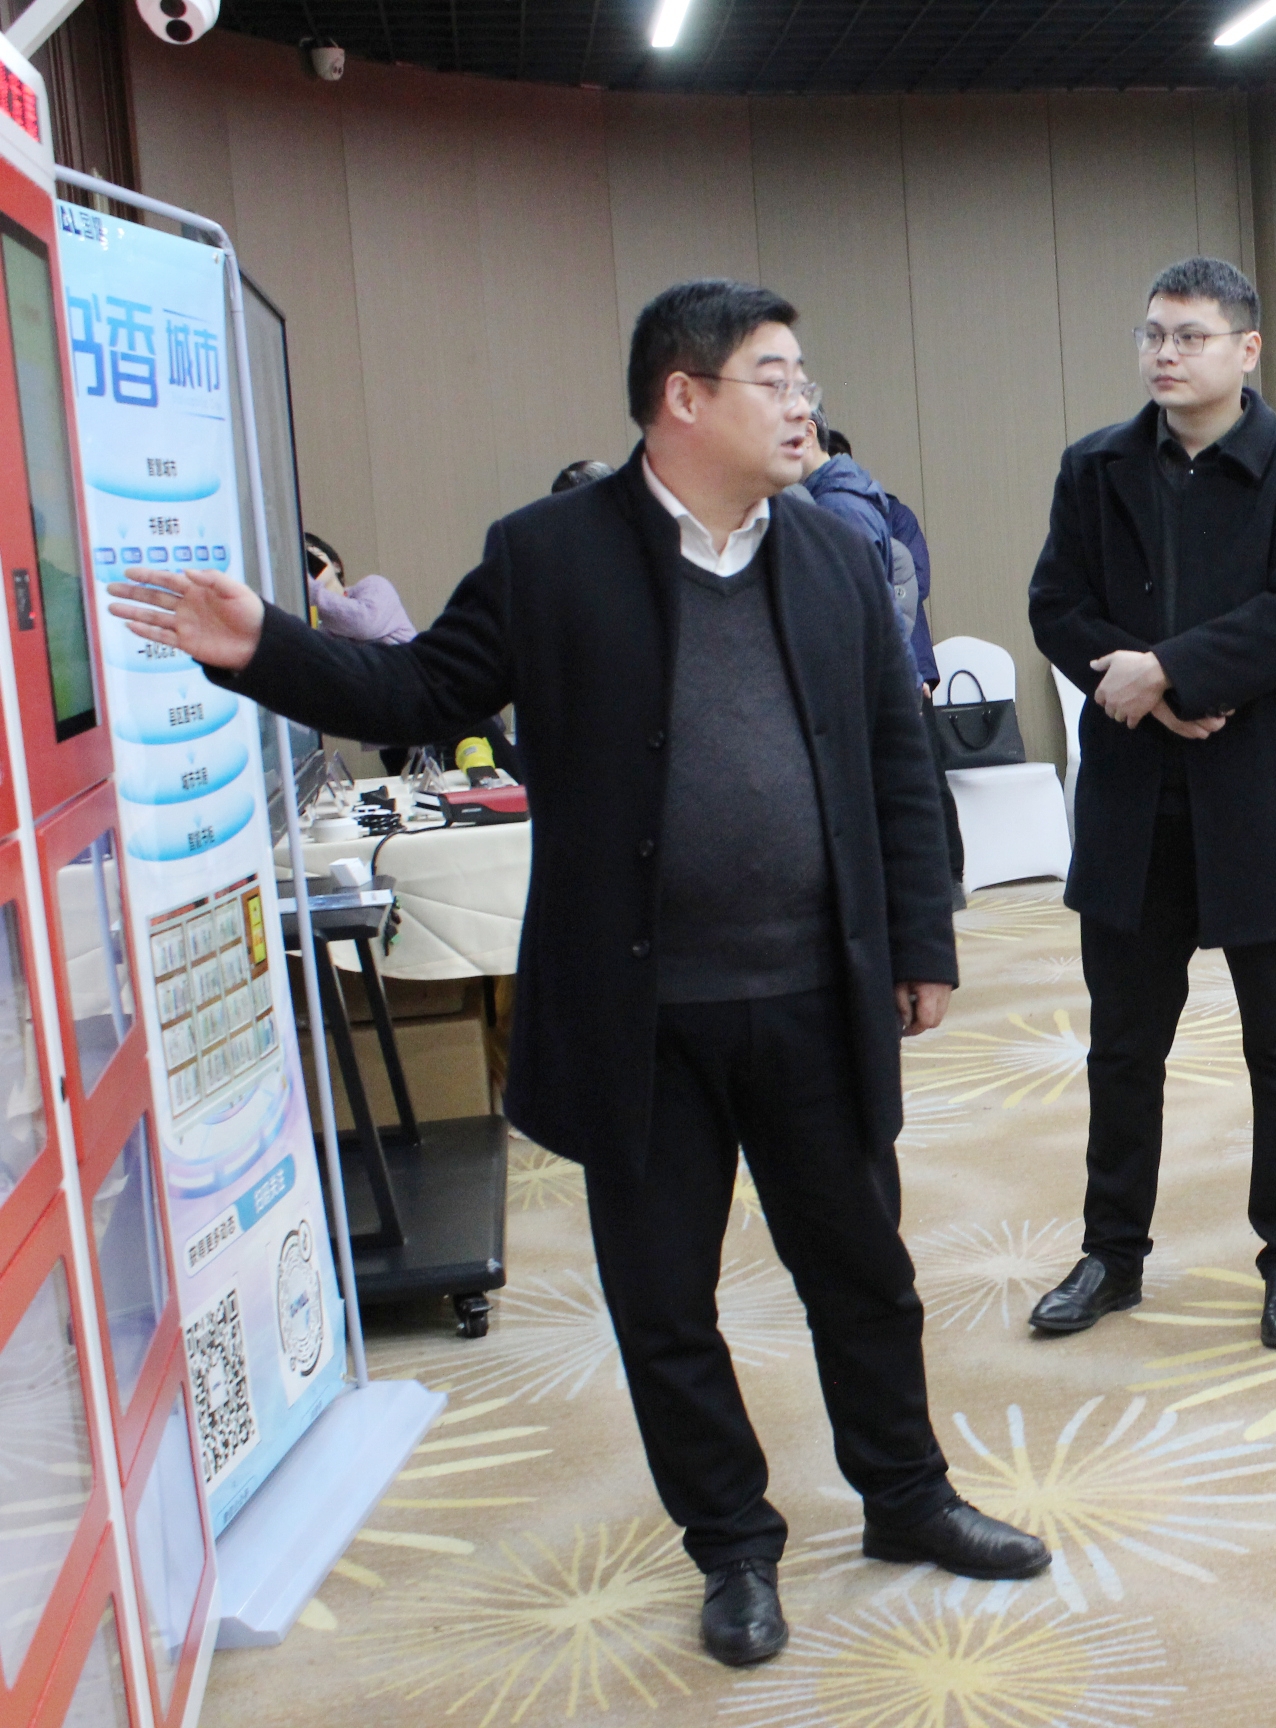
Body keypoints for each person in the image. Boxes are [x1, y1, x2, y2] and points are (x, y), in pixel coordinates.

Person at [107, 279, 1048, 1671]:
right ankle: (733, 1547)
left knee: (864, 1273)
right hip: (638, 1014)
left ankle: (907, 1497)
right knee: (664, 1305)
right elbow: (419, 692)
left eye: (803, 378)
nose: (804, 404)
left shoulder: (837, 554)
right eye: (776, 377)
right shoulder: (548, 554)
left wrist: (922, 938)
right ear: (684, 396)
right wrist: (264, 647)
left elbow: (893, 762)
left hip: (813, 996)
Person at [1025, 255, 1276, 1348]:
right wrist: (1142, 692)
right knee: (1123, 1047)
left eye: (1190, 336)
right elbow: (1055, 604)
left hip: (1260, 791)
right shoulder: (1095, 466)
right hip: (1136, 796)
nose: (1165, 355)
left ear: (1247, 350)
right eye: (1153, 334)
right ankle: (1111, 1253)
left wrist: (1165, 671)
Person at [795, 420, 964, 903]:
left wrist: (905, 668)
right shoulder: (822, 505)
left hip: (903, 658)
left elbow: (910, 582)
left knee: (923, 776)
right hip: (896, 661)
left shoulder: (870, 511)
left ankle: (947, 877)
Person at [304, 531, 520, 779]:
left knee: (501, 776)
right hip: (396, 730)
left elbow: (364, 623)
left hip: (439, 707)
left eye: (313, 558)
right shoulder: (325, 628)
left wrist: (313, 591)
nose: (311, 570)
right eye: (305, 565)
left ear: (336, 564)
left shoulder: (371, 588)